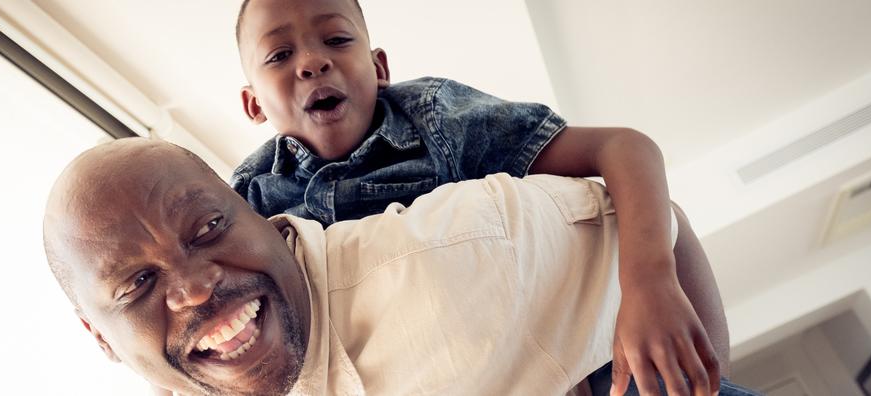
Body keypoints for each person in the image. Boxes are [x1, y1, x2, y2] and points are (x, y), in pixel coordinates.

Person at [231, 0, 725, 393]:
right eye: (279, 56)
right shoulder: (249, 194)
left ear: (379, 66)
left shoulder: (432, 117)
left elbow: (623, 147)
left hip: (546, 355)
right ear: (253, 102)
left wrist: (650, 284)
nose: (314, 62)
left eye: (337, 40)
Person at [42, 139, 754, 395]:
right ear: (101, 340)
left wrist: (703, 370)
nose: (196, 285)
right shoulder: (182, 375)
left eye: (207, 228)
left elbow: (657, 216)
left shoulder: (467, 251)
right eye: (137, 284)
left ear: (257, 210)